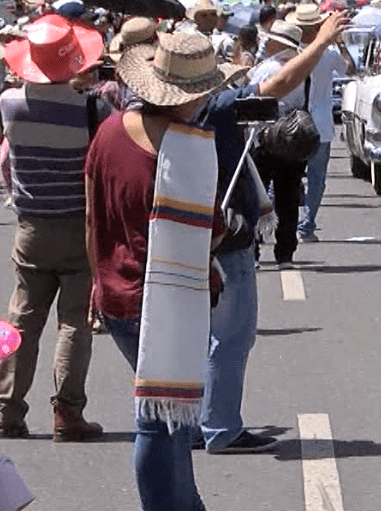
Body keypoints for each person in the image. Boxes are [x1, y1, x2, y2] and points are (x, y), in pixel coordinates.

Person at [88, 32, 235, 511]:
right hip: (164, 307)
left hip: (115, 294)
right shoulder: (185, 150)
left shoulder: (109, 132)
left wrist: (95, 283)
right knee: (161, 418)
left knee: (169, 416)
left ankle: (186, 503)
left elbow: (92, 217)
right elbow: (207, 237)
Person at [195, 9, 347, 455]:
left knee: (198, 336)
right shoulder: (214, 108)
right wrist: (319, 44)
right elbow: (278, 85)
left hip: (185, 230)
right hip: (223, 232)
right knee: (231, 335)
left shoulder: (158, 111)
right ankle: (220, 427)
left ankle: (194, 423)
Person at [0, 14, 105, 441]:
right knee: (74, 323)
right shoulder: (92, 109)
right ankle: (67, 412)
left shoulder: (9, 103)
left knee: (23, 319)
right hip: (79, 228)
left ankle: (7, 409)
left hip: (31, 228)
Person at [249, 21, 310, 270]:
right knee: (288, 197)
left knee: (254, 195)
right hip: (292, 138)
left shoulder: (268, 69)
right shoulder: (302, 70)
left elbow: (253, 96)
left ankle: (252, 250)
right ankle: (285, 253)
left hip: (264, 137)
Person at [291, 3, 352, 243]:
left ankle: (280, 222)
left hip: (293, 124)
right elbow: (351, 69)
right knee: (317, 179)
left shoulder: (292, 52)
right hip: (321, 124)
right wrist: (340, 41)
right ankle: (306, 225)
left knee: (286, 177)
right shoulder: (329, 53)